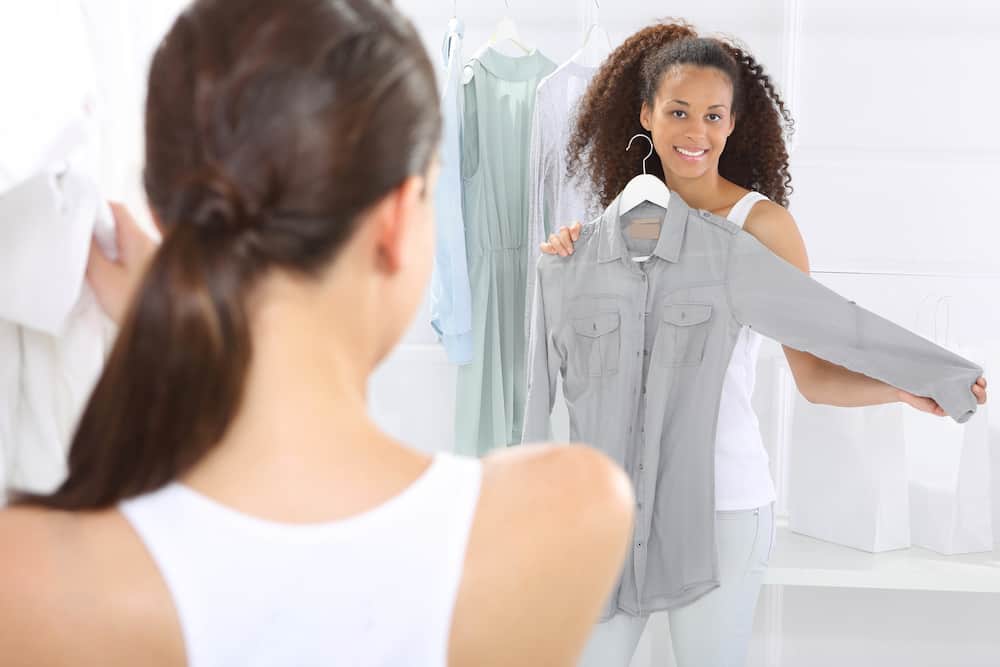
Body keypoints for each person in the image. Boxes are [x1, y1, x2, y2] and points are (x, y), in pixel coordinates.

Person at [0, 1, 636, 665]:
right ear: (395, 222)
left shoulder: (30, 575)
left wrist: (171, 329)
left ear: (165, 212)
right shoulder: (570, 511)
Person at [537, 21, 989, 667]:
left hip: (721, 501)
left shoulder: (759, 228)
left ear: (733, 123)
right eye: (678, 111)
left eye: (713, 115)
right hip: (611, 503)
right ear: (646, 115)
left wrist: (908, 383)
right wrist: (565, 262)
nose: (695, 132)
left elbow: (825, 354)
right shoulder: (611, 229)